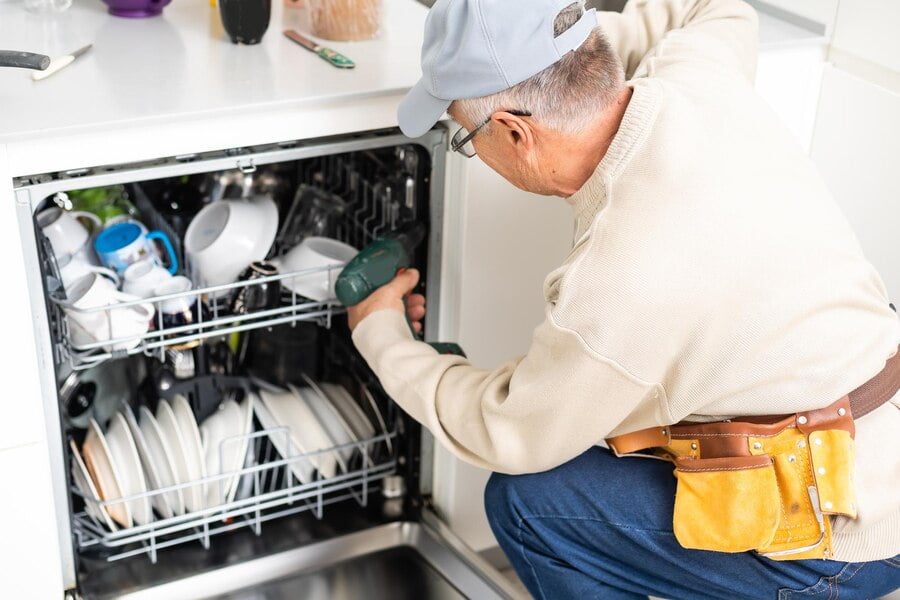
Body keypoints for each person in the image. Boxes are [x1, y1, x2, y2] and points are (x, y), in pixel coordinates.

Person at [346, 0, 900, 597]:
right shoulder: (696, 76)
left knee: (528, 503)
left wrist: (381, 332)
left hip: (840, 540)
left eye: (466, 136)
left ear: (514, 131)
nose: (473, 150)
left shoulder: (620, 277)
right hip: (880, 454)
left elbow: (510, 431)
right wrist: (558, 49)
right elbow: (716, 6)